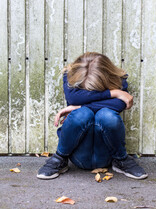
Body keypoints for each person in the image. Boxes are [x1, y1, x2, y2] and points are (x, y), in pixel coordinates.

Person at [37, 52, 148, 180]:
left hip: (107, 154)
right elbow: (73, 97)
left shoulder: (118, 78)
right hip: (78, 154)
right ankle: (60, 159)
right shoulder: (70, 75)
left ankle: (121, 160)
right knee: (83, 114)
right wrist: (113, 93)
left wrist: (79, 106)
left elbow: (119, 104)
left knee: (106, 115)